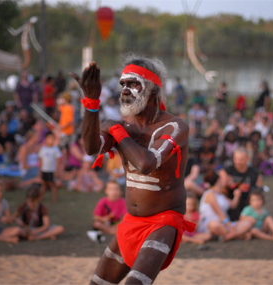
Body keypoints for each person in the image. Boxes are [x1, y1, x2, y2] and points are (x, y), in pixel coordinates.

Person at [70, 57, 195, 284]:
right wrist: (91, 101)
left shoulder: (175, 127)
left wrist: (117, 132)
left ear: (153, 89)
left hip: (163, 222)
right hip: (130, 222)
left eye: (133, 84)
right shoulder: (123, 126)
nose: (125, 91)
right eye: (122, 84)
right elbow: (90, 148)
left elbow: (146, 164)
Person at [198, 170, 253, 241]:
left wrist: (237, 196)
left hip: (224, 224)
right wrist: (231, 228)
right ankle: (236, 235)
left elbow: (233, 205)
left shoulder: (221, 194)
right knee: (215, 225)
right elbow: (220, 214)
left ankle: (226, 237)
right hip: (213, 223)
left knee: (248, 223)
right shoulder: (210, 194)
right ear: (218, 180)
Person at [219, 147, 263, 221]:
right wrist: (226, 184)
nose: (238, 162)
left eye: (241, 160)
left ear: (248, 158)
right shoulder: (227, 171)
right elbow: (220, 191)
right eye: (236, 159)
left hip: (248, 205)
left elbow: (259, 192)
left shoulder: (255, 173)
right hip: (231, 204)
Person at [38, 131, 62, 202]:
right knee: (44, 185)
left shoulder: (55, 149)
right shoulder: (42, 149)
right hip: (44, 170)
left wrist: (57, 171)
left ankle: (54, 198)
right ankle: (41, 197)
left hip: (51, 170)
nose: (51, 140)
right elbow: (40, 161)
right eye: (49, 139)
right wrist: (40, 170)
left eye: (52, 139)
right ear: (45, 139)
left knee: (52, 185)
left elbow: (58, 161)